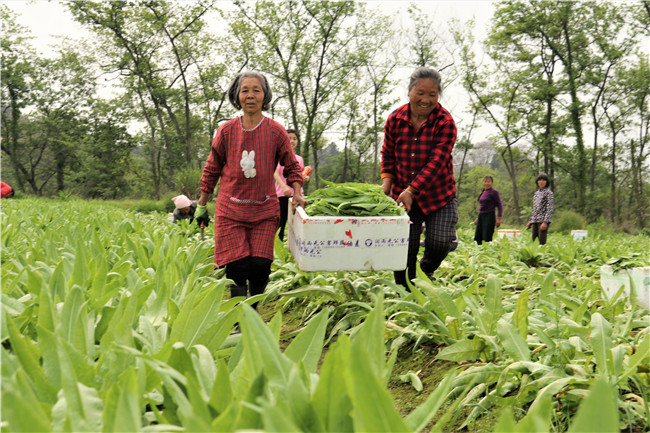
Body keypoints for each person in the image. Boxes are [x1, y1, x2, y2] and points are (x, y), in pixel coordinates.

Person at [194, 71, 306, 305]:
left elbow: (291, 164)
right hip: (230, 208)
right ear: (237, 96)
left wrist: (296, 192)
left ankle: (252, 308)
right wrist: (202, 204)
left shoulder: (276, 130)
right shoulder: (226, 131)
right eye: (245, 90)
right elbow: (212, 167)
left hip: (264, 209)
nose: (250, 95)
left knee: (260, 263)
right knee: (237, 265)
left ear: (265, 96)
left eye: (257, 90)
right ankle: (237, 312)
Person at [381, 67, 458, 288]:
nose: (425, 100)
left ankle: (426, 270)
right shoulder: (395, 119)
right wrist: (386, 186)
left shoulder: (445, 122)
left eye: (432, 95)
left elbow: (437, 162)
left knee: (440, 242)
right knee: (405, 245)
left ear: (438, 96)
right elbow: (387, 153)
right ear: (410, 92)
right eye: (420, 93)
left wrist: (412, 190)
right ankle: (405, 288)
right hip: (403, 196)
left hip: (438, 195)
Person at [274, 128, 309, 241]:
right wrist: (284, 187)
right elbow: (274, 173)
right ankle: (278, 247)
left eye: (294, 139)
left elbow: (300, 175)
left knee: (297, 223)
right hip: (281, 194)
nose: (292, 141)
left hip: (297, 195)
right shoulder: (278, 157)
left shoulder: (299, 159)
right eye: (289, 138)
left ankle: (296, 248)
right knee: (281, 222)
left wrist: (305, 178)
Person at [526, 173, 554, 245]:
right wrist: (530, 221)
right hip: (535, 221)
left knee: (541, 242)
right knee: (534, 241)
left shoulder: (549, 193)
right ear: (537, 182)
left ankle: (542, 256)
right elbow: (535, 209)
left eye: (544, 180)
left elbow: (550, 208)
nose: (541, 182)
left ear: (547, 182)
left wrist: (545, 222)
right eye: (540, 180)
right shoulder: (536, 194)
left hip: (543, 221)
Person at [473, 176, 503, 244]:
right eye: (485, 181)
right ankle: (478, 253)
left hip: (489, 216)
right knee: (478, 237)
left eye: (488, 181)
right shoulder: (483, 192)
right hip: (481, 216)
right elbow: (482, 206)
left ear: (492, 183)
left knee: (486, 238)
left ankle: (487, 253)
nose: (486, 183)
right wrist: (478, 217)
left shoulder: (494, 192)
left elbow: (499, 205)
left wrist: (499, 218)